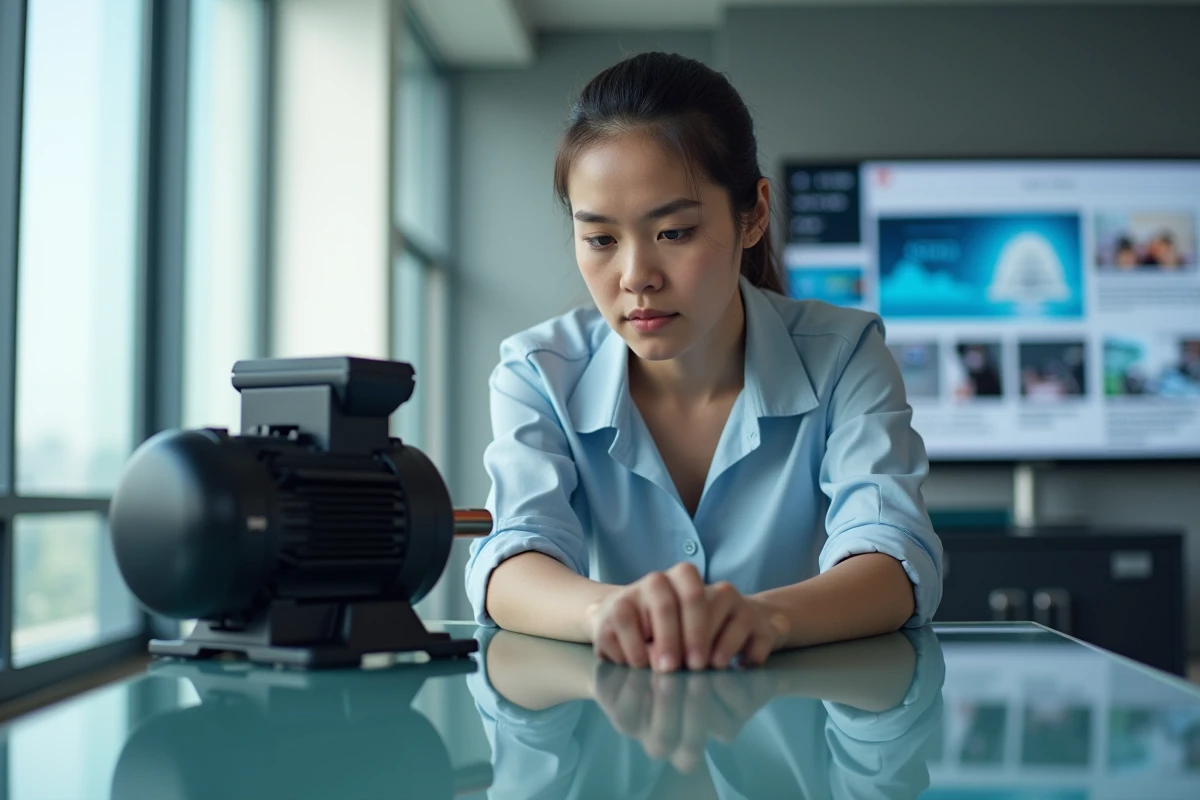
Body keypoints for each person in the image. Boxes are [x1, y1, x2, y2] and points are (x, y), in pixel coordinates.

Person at [465, 52, 943, 674]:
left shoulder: (845, 355)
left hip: (801, 723)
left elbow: (893, 553)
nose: (636, 277)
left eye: (674, 232)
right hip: (612, 723)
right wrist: (606, 614)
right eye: (601, 239)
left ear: (755, 214)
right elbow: (511, 552)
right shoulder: (538, 372)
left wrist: (763, 620)